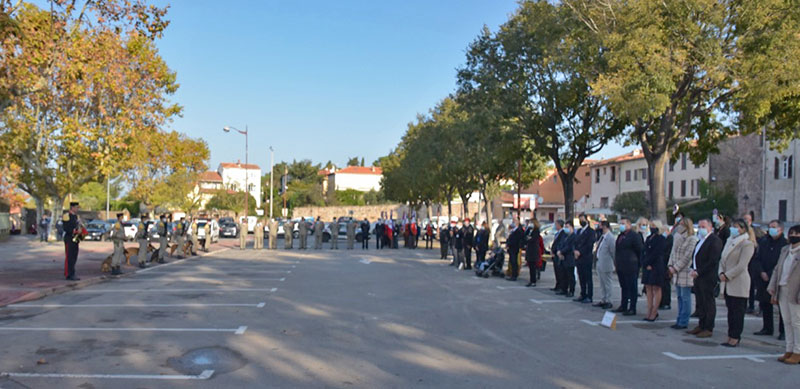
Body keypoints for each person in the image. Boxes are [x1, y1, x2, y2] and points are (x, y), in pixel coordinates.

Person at [718, 219, 756, 347]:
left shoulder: (747, 244)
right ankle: (730, 334)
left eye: (737, 227)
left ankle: (735, 336)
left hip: (738, 282)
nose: (734, 229)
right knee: (730, 311)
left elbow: (742, 265)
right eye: (733, 227)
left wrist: (727, 275)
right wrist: (721, 273)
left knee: (738, 312)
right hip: (727, 282)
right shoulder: (730, 242)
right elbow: (722, 260)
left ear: (743, 229)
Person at [767, 224, 800, 364]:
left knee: (797, 322)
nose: (793, 235)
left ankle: (798, 351)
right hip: (782, 288)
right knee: (786, 321)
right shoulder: (785, 250)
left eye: (797, 234)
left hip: (796, 290)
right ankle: (789, 348)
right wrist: (772, 286)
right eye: (791, 233)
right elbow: (777, 269)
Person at [688, 219, 724, 338]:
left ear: (710, 227)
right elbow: (696, 256)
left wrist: (699, 271)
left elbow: (713, 260)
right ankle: (701, 324)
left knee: (708, 302)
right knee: (700, 302)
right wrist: (692, 268)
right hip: (698, 276)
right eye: (699, 226)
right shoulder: (701, 240)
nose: (701, 229)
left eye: (703, 226)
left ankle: (708, 327)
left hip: (707, 277)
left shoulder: (714, 241)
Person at [753, 220, 788, 337]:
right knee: (765, 303)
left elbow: (781, 263)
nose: (771, 229)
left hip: (777, 277)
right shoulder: (764, 242)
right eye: (770, 227)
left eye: (774, 227)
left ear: (781, 229)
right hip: (763, 277)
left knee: (781, 306)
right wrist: (761, 271)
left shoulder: (785, 244)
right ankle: (767, 328)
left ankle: (783, 331)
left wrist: (770, 273)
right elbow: (757, 258)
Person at [667, 217, 698, 330]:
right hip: (676, 271)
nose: (679, 226)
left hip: (684, 272)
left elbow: (687, 257)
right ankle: (679, 318)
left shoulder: (692, 239)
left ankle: (684, 321)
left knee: (685, 297)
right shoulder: (677, 237)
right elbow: (672, 253)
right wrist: (670, 265)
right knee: (679, 297)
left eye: (682, 224)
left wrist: (676, 267)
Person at [614, 217, 644, 316]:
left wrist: (638, 263)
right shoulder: (620, 236)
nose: (621, 225)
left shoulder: (634, 236)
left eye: (623, 223)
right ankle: (624, 305)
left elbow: (639, 250)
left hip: (631, 265)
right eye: (620, 223)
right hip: (621, 265)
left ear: (629, 225)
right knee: (624, 287)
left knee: (632, 287)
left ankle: (632, 308)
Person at [642, 220, 669, 321]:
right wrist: (644, 263)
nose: (652, 227)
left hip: (656, 266)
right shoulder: (648, 238)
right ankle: (649, 309)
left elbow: (657, 253)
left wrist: (649, 263)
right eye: (651, 225)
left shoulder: (661, 239)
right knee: (648, 288)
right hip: (647, 266)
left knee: (656, 288)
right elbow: (644, 251)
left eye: (654, 226)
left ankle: (654, 310)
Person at [573, 213, 596, 303]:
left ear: (587, 220)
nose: (581, 221)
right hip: (578, 258)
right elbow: (575, 242)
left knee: (588, 277)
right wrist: (575, 251)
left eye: (582, 219)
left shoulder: (591, 231)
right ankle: (583, 294)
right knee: (581, 276)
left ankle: (589, 296)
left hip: (586, 257)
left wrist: (580, 252)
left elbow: (589, 244)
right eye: (580, 219)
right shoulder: (578, 231)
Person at [593, 221, 616, 309]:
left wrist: (615, 262)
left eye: (600, 226)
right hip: (600, 262)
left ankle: (609, 300)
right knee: (602, 283)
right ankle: (603, 299)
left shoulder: (610, 237)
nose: (599, 228)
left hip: (607, 263)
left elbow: (613, 251)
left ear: (605, 227)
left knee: (607, 283)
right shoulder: (602, 237)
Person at [62, 202, 82, 281]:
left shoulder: (76, 216)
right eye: (76, 207)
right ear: (72, 207)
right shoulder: (67, 216)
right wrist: (74, 230)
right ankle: (68, 274)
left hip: (75, 239)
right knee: (69, 256)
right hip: (69, 238)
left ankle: (72, 272)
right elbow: (66, 228)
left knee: (74, 256)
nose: (77, 209)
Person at [556, 222, 576, 296]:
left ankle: (571, 290)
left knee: (570, 276)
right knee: (563, 274)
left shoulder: (574, 236)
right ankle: (564, 289)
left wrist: (562, 251)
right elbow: (560, 244)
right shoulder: (565, 236)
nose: (566, 229)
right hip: (563, 258)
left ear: (571, 227)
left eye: (567, 227)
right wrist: (559, 251)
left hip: (569, 258)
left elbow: (570, 247)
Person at [524, 219, 542, 287]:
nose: (530, 224)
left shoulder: (536, 230)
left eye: (531, 223)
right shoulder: (529, 230)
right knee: (530, 266)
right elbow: (525, 237)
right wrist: (527, 230)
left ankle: (533, 281)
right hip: (529, 249)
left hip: (534, 250)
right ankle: (531, 280)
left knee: (533, 266)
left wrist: (529, 238)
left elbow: (534, 239)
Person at [506, 216, 524, 281]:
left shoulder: (519, 230)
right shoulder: (513, 230)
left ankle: (514, 275)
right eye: (513, 220)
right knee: (512, 261)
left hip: (514, 248)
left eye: (515, 220)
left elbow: (517, 240)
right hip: (511, 248)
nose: (513, 221)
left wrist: (511, 244)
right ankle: (512, 274)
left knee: (514, 262)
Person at [550, 220, 566, 293]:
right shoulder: (557, 233)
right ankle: (557, 285)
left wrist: (557, 251)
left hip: (558, 254)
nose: (555, 226)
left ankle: (561, 286)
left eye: (556, 224)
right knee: (556, 270)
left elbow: (560, 243)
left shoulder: (563, 233)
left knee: (560, 271)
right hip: (555, 254)